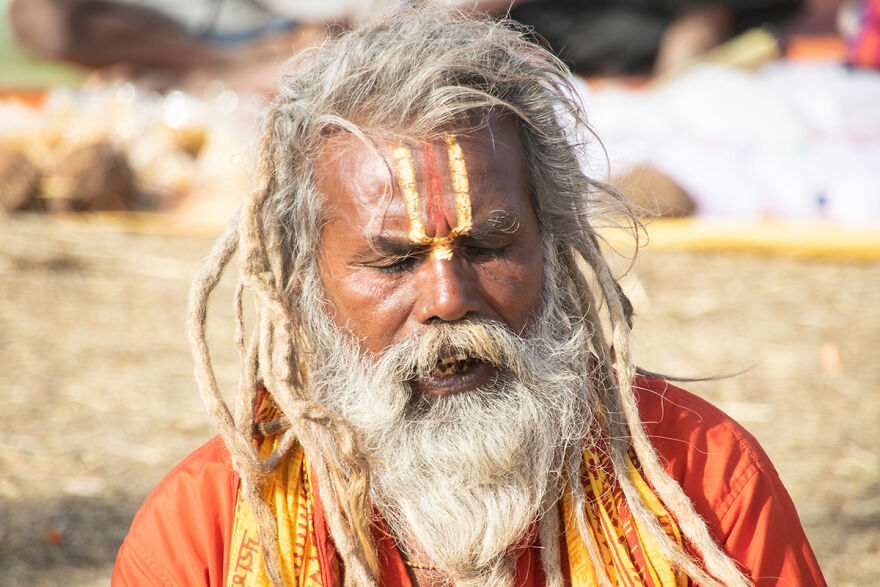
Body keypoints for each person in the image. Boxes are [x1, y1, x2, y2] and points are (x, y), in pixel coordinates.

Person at [112, 6, 825, 586]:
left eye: (487, 247)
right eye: (394, 261)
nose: (449, 299)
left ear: (550, 245)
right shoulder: (207, 533)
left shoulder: (702, 481)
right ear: (303, 285)